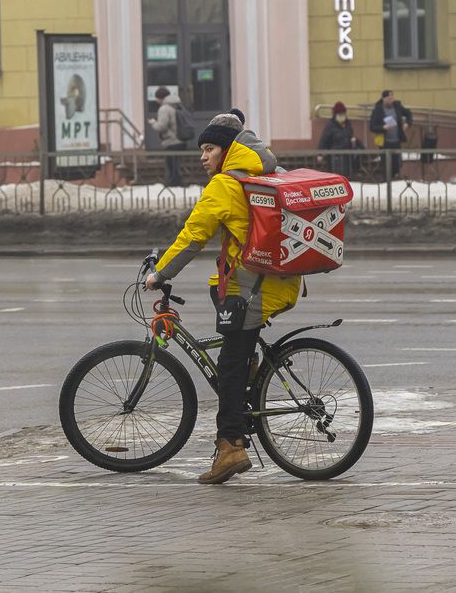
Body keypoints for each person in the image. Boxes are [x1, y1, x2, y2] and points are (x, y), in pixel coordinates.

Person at [143, 109, 301, 485]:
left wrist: (160, 274)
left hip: (251, 288)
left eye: (210, 148)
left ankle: (230, 447)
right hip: (280, 281)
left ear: (228, 150)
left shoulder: (226, 185)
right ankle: (250, 367)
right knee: (220, 291)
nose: (203, 156)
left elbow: (192, 236)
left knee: (228, 365)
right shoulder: (268, 173)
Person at [147, 87, 186, 188]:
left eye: (156, 98)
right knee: (177, 166)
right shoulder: (178, 105)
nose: (155, 100)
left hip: (171, 141)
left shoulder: (164, 108)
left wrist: (153, 123)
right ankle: (178, 185)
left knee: (172, 167)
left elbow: (161, 126)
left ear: (160, 98)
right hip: (181, 139)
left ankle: (173, 186)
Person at [369, 89, 412, 178]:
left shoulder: (397, 106)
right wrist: (383, 128)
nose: (391, 100)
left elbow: (408, 113)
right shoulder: (378, 110)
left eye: (392, 98)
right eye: (389, 98)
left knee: (396, 164)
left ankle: (395, 180)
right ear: (383, 99)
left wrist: (407, 123)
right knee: (386, 165)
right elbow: (372, 127)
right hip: (384, 142)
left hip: (396, 141)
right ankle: (386, 181)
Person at [317, 101, 361, 177]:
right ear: (335, 114)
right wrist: (320, 154)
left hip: (347, 155)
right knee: (335, 177)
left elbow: (350, 134)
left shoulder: (347, 123)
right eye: (340, 114)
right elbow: (324, 139)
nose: (342, 116)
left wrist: (352, 140)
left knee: (347, 176)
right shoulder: (330, 125)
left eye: (343, 114)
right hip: (334, 157)